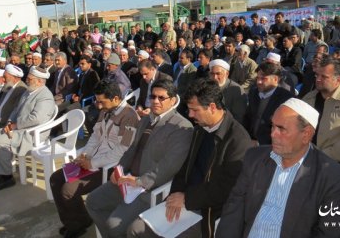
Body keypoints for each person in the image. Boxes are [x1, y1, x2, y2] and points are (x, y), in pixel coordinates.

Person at [128, 79, 253, 238]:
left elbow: (226, 189)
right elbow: (185, 168)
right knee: (135, 229)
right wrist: (176, 194)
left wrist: (187, 198)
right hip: (185, 200)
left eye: (194, 110)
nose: (190, 115)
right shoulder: (200, 130)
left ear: (212, 107)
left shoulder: (238, 140)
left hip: (209, 211)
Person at [216, 98, 340, 238]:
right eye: (273, 126)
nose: (273, 134)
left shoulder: (334, 179)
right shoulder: (255, 158)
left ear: (306, 134)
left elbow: (332, 234)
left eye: (281, 129)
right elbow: (234, 208)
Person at [85, 79, 193, 238]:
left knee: (113, 225)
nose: (155, 101)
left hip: (148, 188)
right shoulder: (145, 120)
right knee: (92, 201)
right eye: (153, 96)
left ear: (173, 100)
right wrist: (119, 169)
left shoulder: (182, 127)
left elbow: (169, 166)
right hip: (127, 181)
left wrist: (139, 181)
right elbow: (131, 149)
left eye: (161, 98)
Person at [50, 81, 140, 238]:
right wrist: (85, 154)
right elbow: (95, 136)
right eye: (97, 101)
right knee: (55, 179)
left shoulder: (130, 116)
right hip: (93, 161)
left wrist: (92, 163)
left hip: (109, 167)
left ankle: (79, 223)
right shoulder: (106, 110)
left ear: (116, 98)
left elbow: (122, 151)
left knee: (68, 190)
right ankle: (77, 221)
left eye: (101, 101)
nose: (98, 106)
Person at [0, 66, 56, 192]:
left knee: (0, 141)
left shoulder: (45, 96)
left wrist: (15, 125)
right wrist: (11, 121)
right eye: (28, 78)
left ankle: (7, 177)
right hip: (19, 129)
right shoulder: (29, 91)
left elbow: (36, 119)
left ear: (39, 81)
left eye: (30, 78)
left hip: (32, 134)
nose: (26, 80)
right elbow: (16, 109)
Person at [244, 62, 293, 145]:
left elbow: (284, 130)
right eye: (258, 78)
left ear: (276, 79)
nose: (258, 82)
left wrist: (259, 143)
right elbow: (247, 118)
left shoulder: (286, 99)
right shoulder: (254, 92)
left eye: (263, 79)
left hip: (270, 146)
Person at [209, 59, 247, 124]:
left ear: (226, 74)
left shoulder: (236, 90)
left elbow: (238, 118)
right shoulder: (208, 86)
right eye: (212, 73)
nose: (215, 77)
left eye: (218, 74)